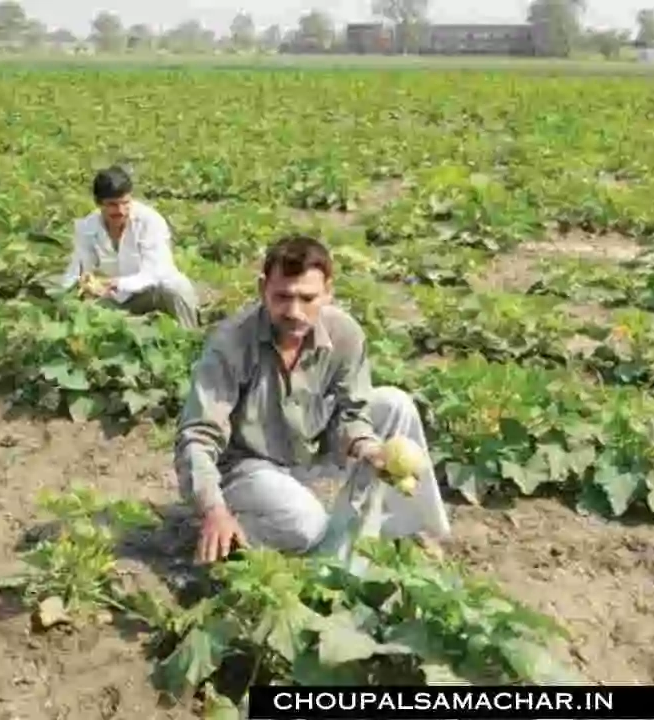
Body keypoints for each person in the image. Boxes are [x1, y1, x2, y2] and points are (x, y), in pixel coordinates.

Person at [173, 234, 450, 564]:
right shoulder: (231, 344)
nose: (294, 311)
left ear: (328, 292)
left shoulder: (344, 334)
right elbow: (197, 436)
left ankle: (404, 531)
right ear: (263, 289)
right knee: (306, 526)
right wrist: (212, 508)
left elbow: (353, 413)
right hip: (247, 469)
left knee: (395, 405)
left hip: (309, 456)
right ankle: (226, 533)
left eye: (307, 298)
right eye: (282, 297)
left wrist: (367, 446)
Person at [58, 166, 200, 329]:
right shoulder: (87, 228)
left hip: (150, 292)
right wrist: (80, 285)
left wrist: (113, 283)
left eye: (125, 203)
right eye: (112, 205)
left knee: (177, 289)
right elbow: (78, 268)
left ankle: (190, 337)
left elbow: (154, 273)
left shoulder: (149, 222)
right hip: (114, 299)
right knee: (75, 307)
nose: (120, 211)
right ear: (98, 204)